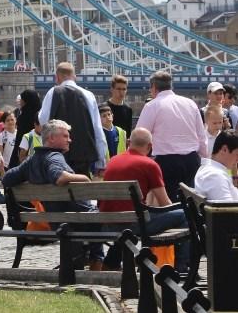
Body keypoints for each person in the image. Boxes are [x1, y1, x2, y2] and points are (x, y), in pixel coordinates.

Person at [3, 119, 104, 270]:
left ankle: (83, 260)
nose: (69, 139)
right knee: (103, 218)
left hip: (56, 220)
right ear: (51, 138)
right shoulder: (54, 157)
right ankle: (98, 263)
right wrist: (84, 178)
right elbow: (59, 177)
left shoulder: (32, 161)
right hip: (80, 219)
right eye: (65, 136)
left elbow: (7, 178)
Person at [100, 127, 189, 272]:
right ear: (150, 146)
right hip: (135, 224)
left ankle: (111, 261)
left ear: (129, 142)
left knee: (129, 218)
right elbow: (165, 203)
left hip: (108, 223)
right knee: (185, 215)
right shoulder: (149, 164)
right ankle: (181, 266)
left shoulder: (113, 161)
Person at [136, 70, 207, 201]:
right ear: (170, 86)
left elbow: (140, 136)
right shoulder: (190, 103)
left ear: (153, 87)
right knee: (193, 202)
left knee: (170, 204)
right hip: (192, 160)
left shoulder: (152, 106)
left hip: (167, 162)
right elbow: (201, 135)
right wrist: (204, 156)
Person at [38, 63, 107, 176]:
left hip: (57, 154)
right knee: (82, 189)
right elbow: (97, 130)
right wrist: (101, 161)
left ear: (57, 77)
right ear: (74, 76)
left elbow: (43, 121)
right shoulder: (88, 95)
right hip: (83, 156)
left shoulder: (53, 92)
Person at [194, 131, 238, 202]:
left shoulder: (215, 169)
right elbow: (228, 210)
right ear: (224, 149)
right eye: (237, 154)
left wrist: (235, 176)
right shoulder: (215, 176)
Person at [11, 90, 42, 168]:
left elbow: (19, 138)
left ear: (26, 101)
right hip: (40, 156)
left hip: (25, 154)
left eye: (22, 99)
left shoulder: (24, 117)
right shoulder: (41, 115)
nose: (20, 102)